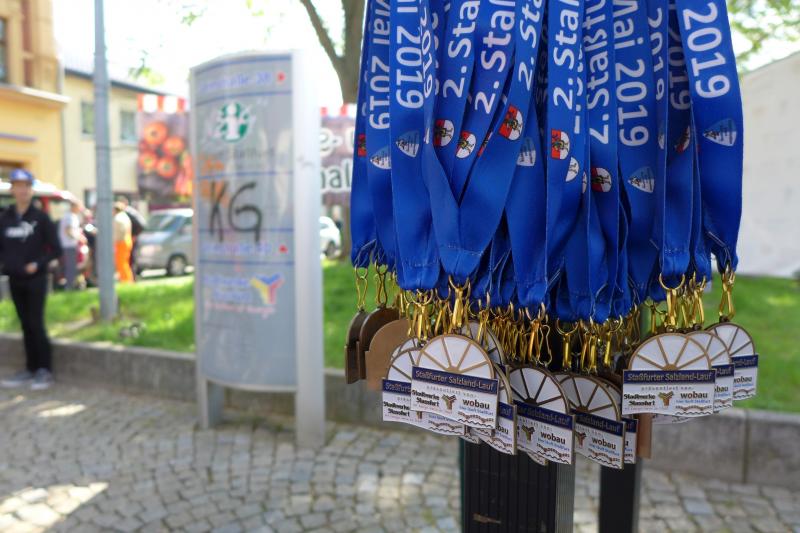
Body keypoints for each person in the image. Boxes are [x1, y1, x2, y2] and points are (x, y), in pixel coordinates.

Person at [0, 169, 62, 390]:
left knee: (36, 323)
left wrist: (38, 263)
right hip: (15, 279)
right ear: (12, 190)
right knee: (25, 324)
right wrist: (6, 264)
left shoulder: (41, 218)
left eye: (26, 186)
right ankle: (30, 368)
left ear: (31, 190)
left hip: (36, 279)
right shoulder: (5, 218)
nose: (22, 190)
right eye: (18, 186)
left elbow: (56, 249)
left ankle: (44, 370)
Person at [118, 197, 145, 276]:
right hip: (131, 237)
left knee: (131, 257)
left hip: (132, 237)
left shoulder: (128, 212)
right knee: (131, 257)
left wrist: (134, 235)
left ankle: (132, 275)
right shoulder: (130, 211)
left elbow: (141, 225)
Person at [58, 200, 82, 290]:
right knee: (70, 266)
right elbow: (68, 231)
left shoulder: (72, 216)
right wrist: (80, 238)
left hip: (70, 245)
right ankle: (70, 286)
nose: (80, 209)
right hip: (69, 245)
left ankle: (71, 284)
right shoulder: (69, 217)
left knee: (71, 265)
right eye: (78, 207)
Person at [113, 202, 134, 283]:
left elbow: (120, 232)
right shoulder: (125, 216)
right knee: (125, 262)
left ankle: (126, 280)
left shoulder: (118, 218)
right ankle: (128, 279)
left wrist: (115, 240)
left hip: (121, 242)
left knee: (121, 263)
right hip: (127, 240)